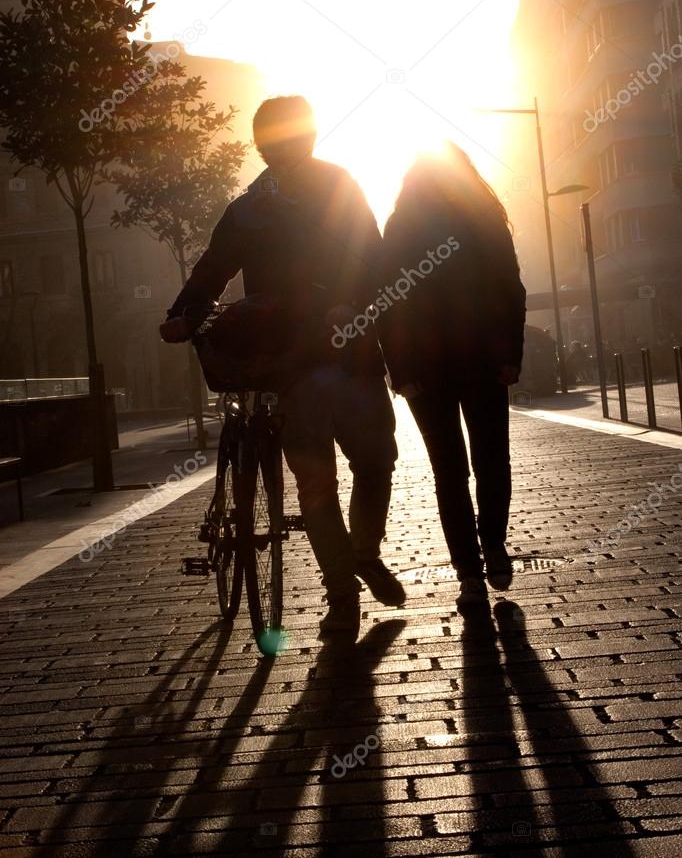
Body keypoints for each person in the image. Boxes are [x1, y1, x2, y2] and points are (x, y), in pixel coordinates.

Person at [160, 95, 403, 640]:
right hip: (292, 366)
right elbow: (213, 269)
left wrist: (353, 303)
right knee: (319, 481)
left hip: (349, 356)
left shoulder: (336, 187)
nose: (283, 152)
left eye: (289, 141)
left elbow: (374, 261)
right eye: (274, 144)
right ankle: (342, 591)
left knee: (374, 464)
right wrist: (181, 313)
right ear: (264, 147)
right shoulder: (250, 208)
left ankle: (362, 554)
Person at [379, 142, 526, 606]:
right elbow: (511, 291)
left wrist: (402, 369)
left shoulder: (403, 226)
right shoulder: (482, 220)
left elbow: (387, 302)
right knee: (487, 461)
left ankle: (472, 569)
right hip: (475, 362)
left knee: (454, 470)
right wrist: (509, 354)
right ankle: (488, 554)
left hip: (430, 370)